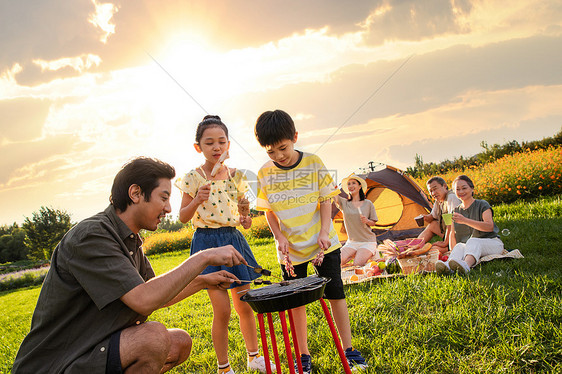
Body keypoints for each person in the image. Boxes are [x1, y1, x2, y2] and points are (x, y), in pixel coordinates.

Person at [12, 157, 246, 374]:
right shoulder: (92, 236)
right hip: (57, 364)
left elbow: (157, 294)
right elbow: (144, 300)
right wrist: (204, 257)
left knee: (179, 343)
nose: (168, 209)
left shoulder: (129, 239)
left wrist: (205, 281)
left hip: (92, 348)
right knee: (153, 338)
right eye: (163, 198)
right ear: (135, 193)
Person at [254, 109, 368, 374]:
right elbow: (268, 210)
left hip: (323, 242)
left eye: (282, 148)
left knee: (335, 294)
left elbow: (325, 198)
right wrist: (278, 236)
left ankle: (349, 349)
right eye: (271, 152)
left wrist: (324, 231)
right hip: (290, 251)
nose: (278, 156)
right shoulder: (264, 173)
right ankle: (303, 355)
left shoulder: (313, 162)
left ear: (294, 137)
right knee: (296, 302)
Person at [175, 115, 274, 374]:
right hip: (207, 243)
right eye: (209, 143)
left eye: (221, 142)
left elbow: (245, 217)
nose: (216, 147)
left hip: (233, 239)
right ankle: (224, 367)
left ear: (228, 145)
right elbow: (183, 217)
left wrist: (245, 216)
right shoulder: (192, 178)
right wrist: (197, 199)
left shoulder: (236, 175)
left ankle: (254, 357)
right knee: (223, 311)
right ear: (199, 147)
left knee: (245, 305)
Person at [435, 175, 504, 275]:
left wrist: (465, 220)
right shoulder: (456, 210)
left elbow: (489, 227)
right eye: (457, 189)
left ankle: (466, 266)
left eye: (464, 188)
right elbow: (452, 234)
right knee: (459, 246)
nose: (461, 192)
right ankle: (449, 266)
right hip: (472, 246)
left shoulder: (482, 204)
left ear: (472, 188)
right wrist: (452, 251)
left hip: (493, 243)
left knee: (472, 241)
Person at [334, 174, 380, 267]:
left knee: (357, 264)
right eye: (349, 184)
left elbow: (373, 222)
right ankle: (357, 254)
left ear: (360, 186)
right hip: (352, 243)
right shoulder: (344, 203)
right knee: (337, 263)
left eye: (353, 183)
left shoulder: (368, 203)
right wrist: (329, 183)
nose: (351, 186)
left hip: (367, 241)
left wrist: (367, 221)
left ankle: (372, 252)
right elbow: (333, 195)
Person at [417, 176, 461, 254]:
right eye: (431, 191)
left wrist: (445, 242)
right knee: (433, 224)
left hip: (459, 235)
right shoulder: (438, 201)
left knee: (432, 250)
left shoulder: (451, 197)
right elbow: (432, 217)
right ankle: (416, 245)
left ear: (444, 186)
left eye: (435, 189)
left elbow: (452, 221)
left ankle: (450, 248)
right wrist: (425, 217)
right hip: (449, 232)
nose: (433, 193)